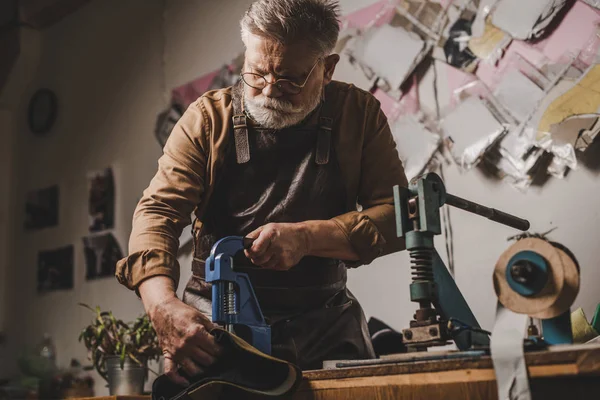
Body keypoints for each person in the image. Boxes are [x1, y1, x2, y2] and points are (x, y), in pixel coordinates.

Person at [116, 0, 408, 386]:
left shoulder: (359, 115)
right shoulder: (206, 119)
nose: (269, 90)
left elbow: (398, 216)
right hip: (217, 325)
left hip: (326, 326)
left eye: (290, 79)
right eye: (256, 73)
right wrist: (162, 307)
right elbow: (157, 212)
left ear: (327, 68)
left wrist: (307, 237)